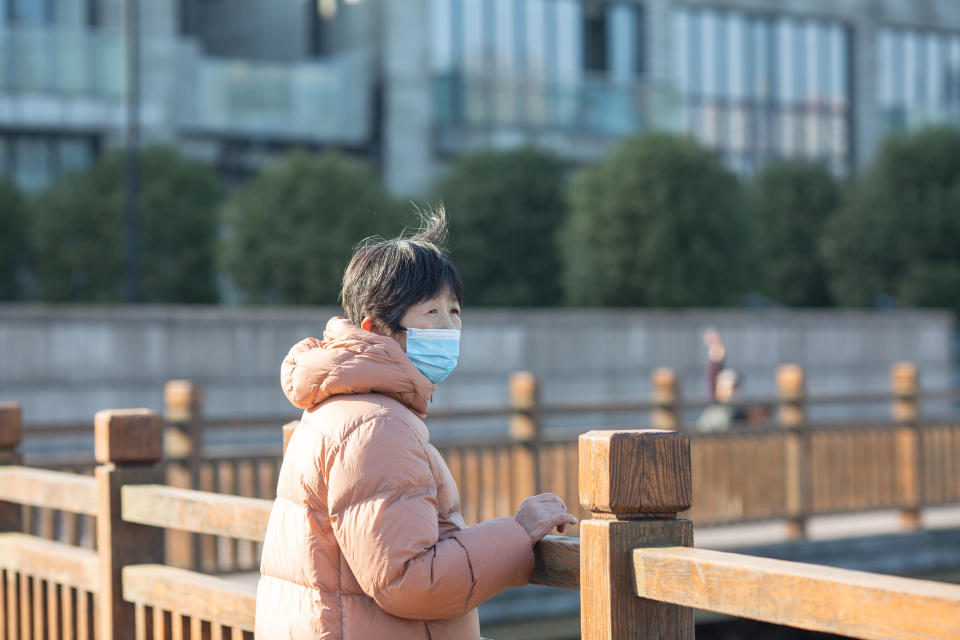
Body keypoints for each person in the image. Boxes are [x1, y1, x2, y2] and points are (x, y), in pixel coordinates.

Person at [255, 208, 577, 639]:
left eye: (455, 311)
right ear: (377, 329)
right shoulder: (376, 426)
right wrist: (517, 533)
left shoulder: (334, 408)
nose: (449, 327)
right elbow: (407, 581)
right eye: (431, 313)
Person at [696, 368, 748, 432]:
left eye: (736, 387)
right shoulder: (714, 414)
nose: (734, 392)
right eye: (732, 388)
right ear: (719, 390)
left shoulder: (740, 410)